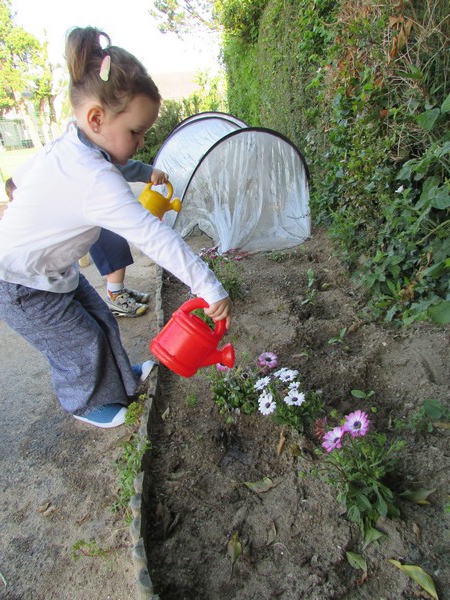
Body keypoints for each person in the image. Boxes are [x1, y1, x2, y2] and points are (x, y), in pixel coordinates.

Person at [0, 26, 231, 429]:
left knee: (102, 322)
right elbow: (154, 236)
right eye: (135, 131)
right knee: (80, 343)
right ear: (96, 117)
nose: (141, 141)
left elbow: (19, 182)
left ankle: (122, 381)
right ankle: (86, 403)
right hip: (21, 285)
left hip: (51, 271)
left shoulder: (73, 145)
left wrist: (23, 198)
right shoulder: (91, 177)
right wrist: (208, 286)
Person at [89, 161, 168, 318]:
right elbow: (114, 163)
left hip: (99, 210)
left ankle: (117, 288)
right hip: (94, 215)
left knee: (117, 247)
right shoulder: (92, 152)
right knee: (112, 249)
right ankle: (115, 296)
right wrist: (147, 172)